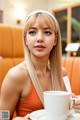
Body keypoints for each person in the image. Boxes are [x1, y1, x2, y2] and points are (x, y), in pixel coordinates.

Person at [0, 10, 80, 120]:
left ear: (55, 40)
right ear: (26, 39)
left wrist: (75, 104)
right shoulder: (16, 75)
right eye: (32, 32)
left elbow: (64, 112)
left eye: (47, 32)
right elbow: (3, 115)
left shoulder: (62, 73)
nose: (40, 38)